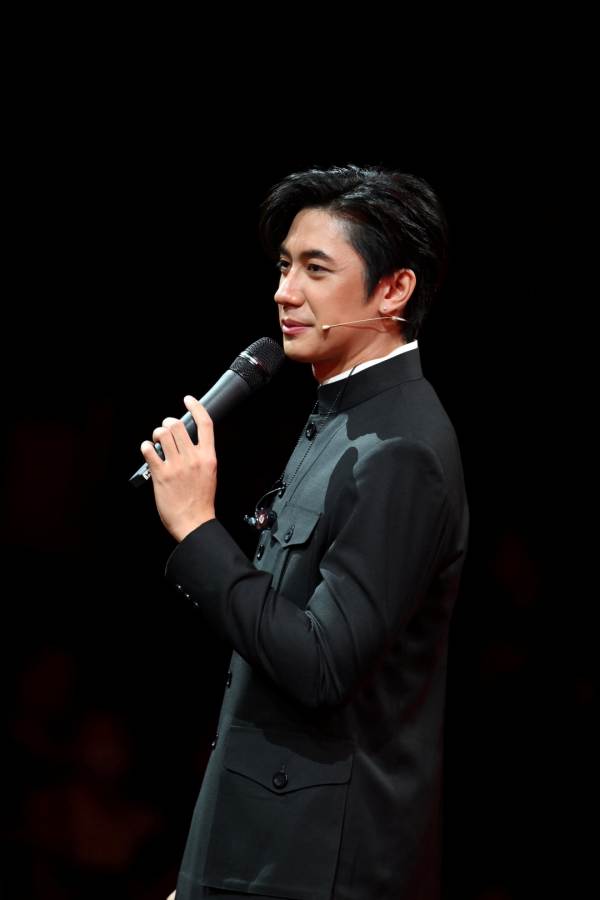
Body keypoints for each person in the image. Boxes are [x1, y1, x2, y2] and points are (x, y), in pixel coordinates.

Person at [142, 165, 469, 900]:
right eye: (285, 266)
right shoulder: (343, 415)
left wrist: (197, 527)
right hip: (256, 852)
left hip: (314, 869)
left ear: (394, 290)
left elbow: (320, 665)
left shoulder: (402, 449)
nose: (285, 291)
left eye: (316, 269)